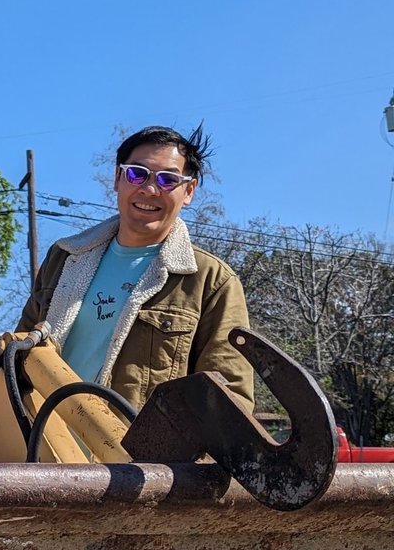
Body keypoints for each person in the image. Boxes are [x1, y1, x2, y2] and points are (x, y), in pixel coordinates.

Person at [17, 125, 253, 411]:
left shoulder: (212, 282)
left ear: (189, 190)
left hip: (133, 455)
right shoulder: (64, 258)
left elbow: (229, 399)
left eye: (168, 180)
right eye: (136, 174)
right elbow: (16, 356)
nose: (150, 189)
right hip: (42, 446)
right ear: (118, 177)